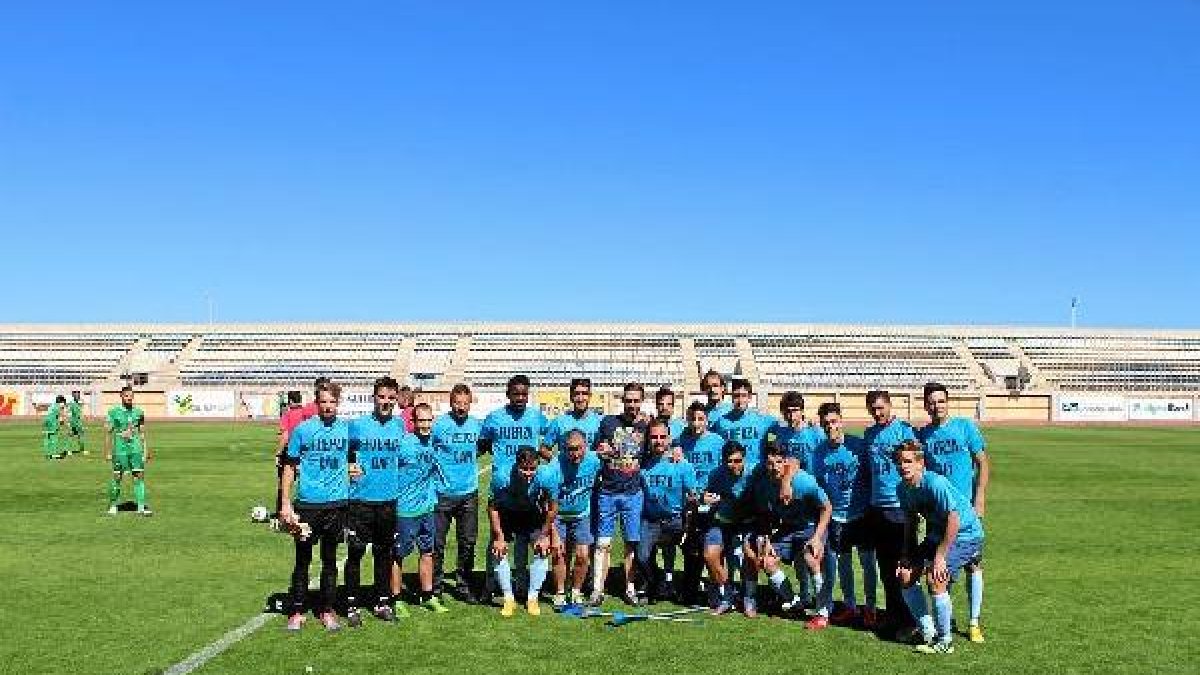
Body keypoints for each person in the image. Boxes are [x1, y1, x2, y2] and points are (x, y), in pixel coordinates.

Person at [894, 440, 985, 655]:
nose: (903, 466)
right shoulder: (902, 488)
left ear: (920, 463)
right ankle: (928, 631)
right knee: (905, 575)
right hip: (938, 534)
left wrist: (940, 556)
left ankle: (945, 641)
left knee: (936, 578)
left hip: (965, 534)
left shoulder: (936, 483)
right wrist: (906, 553)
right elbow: (911, 521)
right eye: (899, 462)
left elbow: (954, 519)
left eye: (908, 461)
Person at [916, 382, 991, 643]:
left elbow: (982, 462)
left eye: (941, 401)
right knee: (939, 568)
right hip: (940, 513)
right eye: (931, 402)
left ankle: (973, 621)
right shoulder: (923, 436)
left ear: (948, 403)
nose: (936, 406)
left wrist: (979, 497)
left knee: (973, 563)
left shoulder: (964, 427)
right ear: (926, 405)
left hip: (966, 509)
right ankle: (942, 622)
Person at [279, 381, 350, 631]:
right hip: (308, 505)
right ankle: (297, 610)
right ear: (316, 403)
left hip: (337, 505)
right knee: (302, 559)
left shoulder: (347, 430)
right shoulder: (302, 430)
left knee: (330, 560)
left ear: (338, 403)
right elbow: (289, 467)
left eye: (332, 402)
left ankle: (327, 610)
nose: (328, 406)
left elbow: (356, 460)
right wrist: (285, 502)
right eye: (323, 402)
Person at [744, 444, 832, 625]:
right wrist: (767, 539)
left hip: (811, 527)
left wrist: (817, 538)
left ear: (786, 462)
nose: (775, 467)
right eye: (770, 463)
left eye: (779, 462)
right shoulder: (764, 486)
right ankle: (793, 602)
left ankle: (823, 612)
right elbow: (766, 515)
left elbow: (827, 507)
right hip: (788, 529)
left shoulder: (803, 482)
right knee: (767, 561)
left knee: (811, 559)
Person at [478, 375, 548, 601]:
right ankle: (490, 584)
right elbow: (483, 443)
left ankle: (520, 582)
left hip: (528, 486)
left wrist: (547, 457)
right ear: (508, 394)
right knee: (497, 539)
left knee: (523, 539)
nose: (520, 398)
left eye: (524, 394)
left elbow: (548, 441)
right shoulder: (494, 418)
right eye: (516, 393)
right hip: (504, 487)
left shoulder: (536, 417)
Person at [809, 402, 877, 627]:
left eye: (834, 421)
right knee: (844, 563)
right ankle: (850, 605)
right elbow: (819, 486)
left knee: (868, 562)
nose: (831, 426)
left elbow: (872, 475)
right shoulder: (818, 454)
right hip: (837, 517)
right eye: (826, 423)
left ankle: (870, 607)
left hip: (862, 513)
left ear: (841, 421)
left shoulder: (858, 445)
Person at [343, 377, 404, 625]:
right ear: (374, 398)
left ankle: (382, 602)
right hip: (360, 500)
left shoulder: (400, 426)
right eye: (382, 397)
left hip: (388, 500)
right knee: (355, 553)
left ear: (396, 400)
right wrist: (349, 465)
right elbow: (344, 450)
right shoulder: (357, 426)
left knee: (383, 554)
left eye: (391, 398)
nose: (386, 402)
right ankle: (351, 604)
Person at [862, 390, 918, 638]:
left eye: (881, 407)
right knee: (885, 568)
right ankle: (893, 616)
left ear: (889, 405)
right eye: (873, 408)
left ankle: (911, 619)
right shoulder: (869, 434)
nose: (877, 412)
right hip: (877, 508)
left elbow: (917, 464)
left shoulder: (904, 431)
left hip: (900, 508)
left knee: (903, 566)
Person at [592, 382, 650, 606]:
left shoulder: (646, 426)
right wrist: (602, 450)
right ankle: (597, 590)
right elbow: (598, 448)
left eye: (636, 400)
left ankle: (630, 588)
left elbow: (656, 449)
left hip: (633, 493)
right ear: (622, 400)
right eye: (628, 400)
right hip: (608, 491)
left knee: (631, 543)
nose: (632, 405)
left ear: (641, 401)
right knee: (602, 543)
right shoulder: (608, 422)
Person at [487, 446, 559, 617]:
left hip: (531, 512)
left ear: (538, 465)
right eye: (524, 469)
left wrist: (544, 535)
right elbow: (492, 508)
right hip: (506, 512)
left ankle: (532, 597)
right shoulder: (501, 476)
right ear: (516, 465)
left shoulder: (547, 475)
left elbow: (553, 508)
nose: (528, 473)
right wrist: (498, 536)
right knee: (498, 550)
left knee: (543, 550)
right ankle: (508, 598)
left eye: (532, 469)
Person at [431, 384, 484, 603]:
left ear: (470, 403)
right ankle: (435, 586)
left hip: (468, 493)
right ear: (451, 402)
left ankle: (464, 585)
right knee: (437, 543)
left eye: (465, 403)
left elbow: (482, 447)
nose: (461, 407)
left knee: (468, 542)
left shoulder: (477, 426)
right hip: (442, 493)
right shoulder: (439, 425)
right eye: (457, 403)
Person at [393, 403, 448, 614]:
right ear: (413, 422)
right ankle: (396, 599)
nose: (425, 425)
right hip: (404, 510)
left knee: (427, 552)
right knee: (398, 555)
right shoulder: (403, 444)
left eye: (428, 420)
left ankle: (428, 595)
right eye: (421, 421)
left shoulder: (434, 442)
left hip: (427, 509)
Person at [637, 419, 697, 603]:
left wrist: (689, 522)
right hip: (651, 520)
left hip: (675, 519)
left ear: (669, 438)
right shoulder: (642, 464)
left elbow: (693, 495)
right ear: (648, 439)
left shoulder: (681, 464)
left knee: (691, 550)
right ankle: (654, 582)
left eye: (662, 437)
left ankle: (688, 588)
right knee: (642, 556)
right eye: (654, 437)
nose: (658, 441)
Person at [675, 402, 727, 605]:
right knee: (691, 549)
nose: (696, 423)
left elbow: (724, 469)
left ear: (707, 420)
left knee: (714, 549)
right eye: (692, 419)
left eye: (700, 419)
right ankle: (691, 589)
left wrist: (718, 495)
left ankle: (719, 590)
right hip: (692, 502)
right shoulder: (681, 442)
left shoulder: (717, 441)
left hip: (713, 501)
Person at [549, 429, 602, 607]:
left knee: (583, 555)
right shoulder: (555, 466)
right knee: (558, 553)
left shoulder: (595, 460)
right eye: (571, 449)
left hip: (582, 515)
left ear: (586, 446)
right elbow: (547, 500)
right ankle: (560, 592)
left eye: (579, 448)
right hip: (559, 516)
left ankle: (576, 590)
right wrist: (552, 529)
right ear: (564, 448)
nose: (576, 453)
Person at [703, 441, 755, 615]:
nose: (733, 465)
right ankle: (727, 594)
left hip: (747, 522)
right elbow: (705, 495)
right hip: (722, 520)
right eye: (729, 461)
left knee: (748, 556)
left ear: (744, 459)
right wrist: (705, 498)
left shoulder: (754, 473)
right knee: (710, 555)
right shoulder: (716, 474)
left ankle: (749, 598)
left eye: (737, 461)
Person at [711, 379, 778, 471]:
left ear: (750, 398)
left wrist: (771, 445)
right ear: (731, 397)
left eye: (744, 396)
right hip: (732, 472)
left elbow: (776, 432)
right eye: (736, 396)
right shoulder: (721, 422)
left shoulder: (763, 420)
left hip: (756, 472)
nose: (740, 400)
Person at [104, 386, 151, 515]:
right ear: (121, 396)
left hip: (136, 449)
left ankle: (141, 507)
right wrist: (107, 452)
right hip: (120, 450)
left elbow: (142, 433)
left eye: (131, 396)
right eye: (126, 396)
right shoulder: (113, 412)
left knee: (139, 476)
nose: (129, 398)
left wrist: (145, 449)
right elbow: (108, 433)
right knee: (117, 477)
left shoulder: (139, 412)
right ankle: (113, 505)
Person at [541, 378, 603, 457]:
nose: (580, 399)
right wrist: (556, 462)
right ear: (571, 397)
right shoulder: (559, 421)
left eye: (584, 394)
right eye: (576, 394)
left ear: (590, 396)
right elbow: (544, 448)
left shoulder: (600, 421)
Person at [772, 391, 824, 472]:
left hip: (811, 479)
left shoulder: (816, 433)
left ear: (802, 411)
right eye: (788, 411)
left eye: (795, 410)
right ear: (782, 412)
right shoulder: (779, 433)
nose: (791, 416)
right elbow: (771, 450)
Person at [43, 395, 66, 460]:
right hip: (52, 422)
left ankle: (48, 453)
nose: (64, 404)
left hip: (47, 421)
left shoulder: (52, 405)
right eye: (63, 402)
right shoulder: (58, 406)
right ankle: (54, 454)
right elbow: (60, 416)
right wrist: (62, 422)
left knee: (48, 437)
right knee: (54, 437)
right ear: (61, 401)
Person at [67, 390, 86, 455]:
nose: (77, 396)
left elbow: (80, 413)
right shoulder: (71, 404)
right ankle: (69, 450)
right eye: (75, 395)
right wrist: (69, 423)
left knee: (81, 435)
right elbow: (69, 413)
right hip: (73, 422)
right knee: (71, 435)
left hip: (79, 422)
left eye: (78, 395)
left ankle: (82, 449)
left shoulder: (79, 403)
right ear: (73, 396)